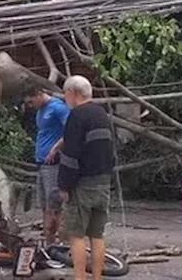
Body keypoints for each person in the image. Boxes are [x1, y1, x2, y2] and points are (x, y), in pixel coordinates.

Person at [56, 76, 115, 280]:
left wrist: (64, 185)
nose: (65, 98)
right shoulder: (102, 114)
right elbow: (110, 151)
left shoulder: (77, 116)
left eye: (65, 94)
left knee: (77, 234)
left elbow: (70, 155)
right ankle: (97, 278)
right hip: (103, 181)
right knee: (97, 235)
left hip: (82, 184)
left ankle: (79, 278)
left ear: (73, 93)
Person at [25, 85, 71, 243]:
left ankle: (60, 240)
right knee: (44, 203)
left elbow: (71, 131)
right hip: (41, 162)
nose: (31, 106)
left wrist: (55, 149)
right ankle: (48, 239)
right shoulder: (40, 111)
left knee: (54, 202)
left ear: (39, 93)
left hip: (53, 163)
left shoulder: (58, 108)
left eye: (31, 102)